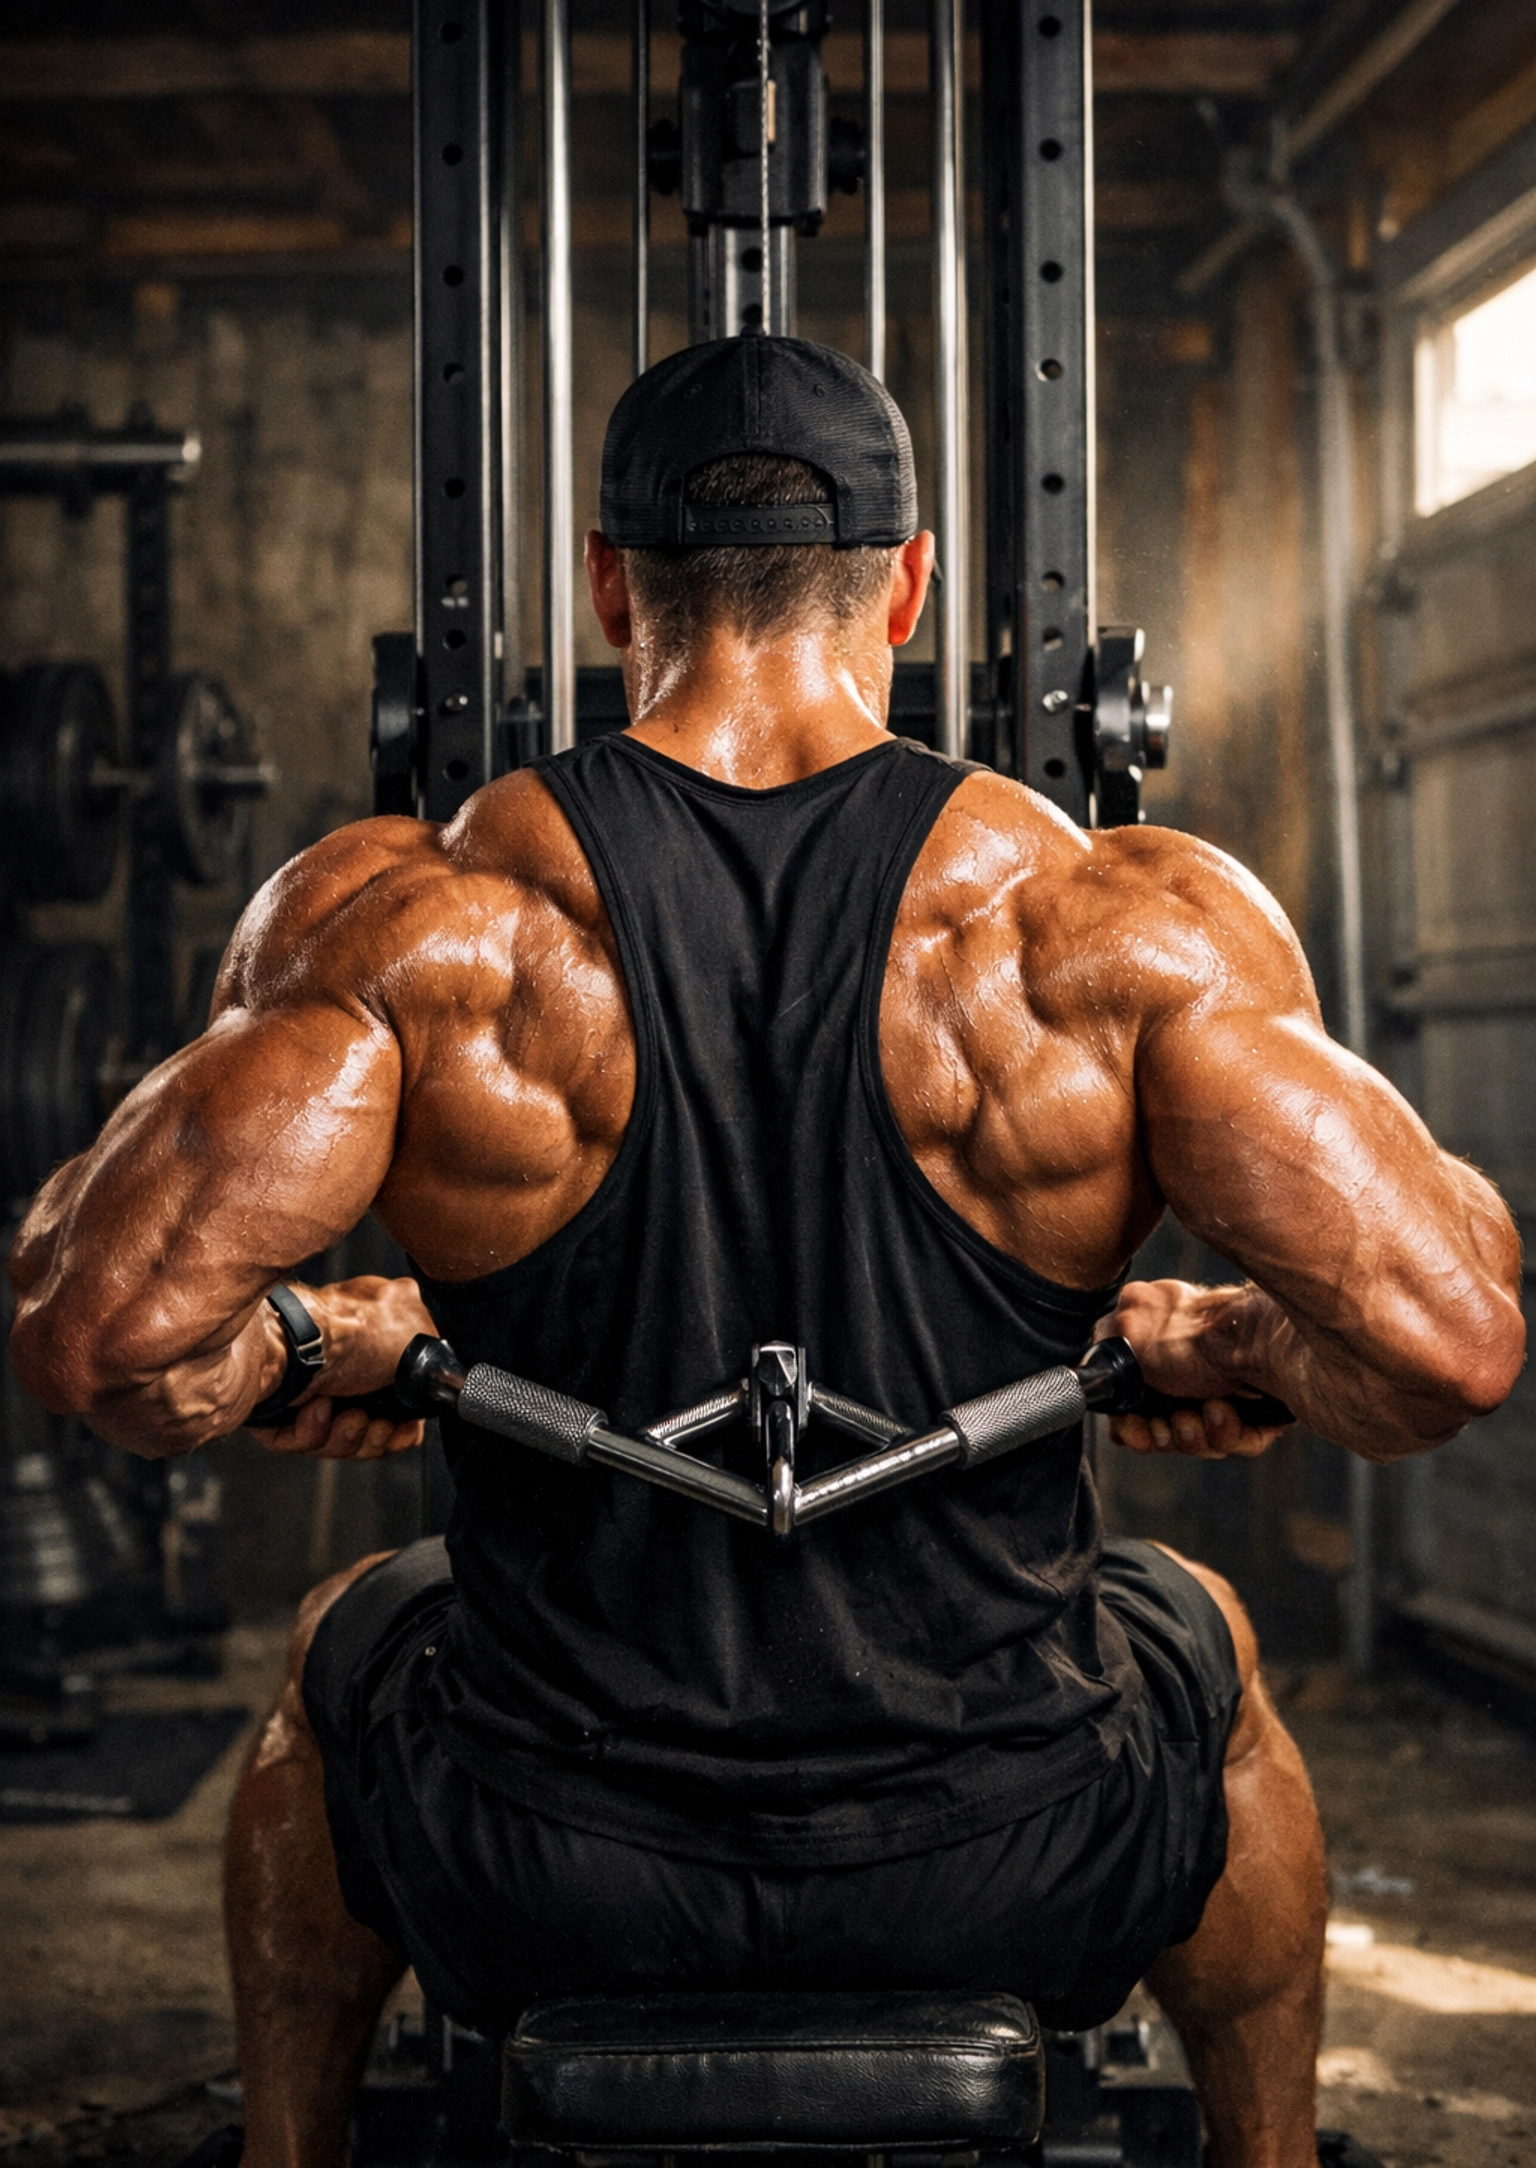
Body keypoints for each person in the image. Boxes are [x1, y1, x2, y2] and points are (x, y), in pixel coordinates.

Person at [10, 336, 1522, 2168]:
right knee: (1207, 1647)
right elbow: (1450, 1341)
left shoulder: (426, 928)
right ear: (908, 584)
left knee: (342, 1646)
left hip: (543, 1860)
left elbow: (100, 1339)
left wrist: (295, 1349)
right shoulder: (1107, 932)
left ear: (600, 583)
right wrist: (1247, 1346)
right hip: (1014, 1853)